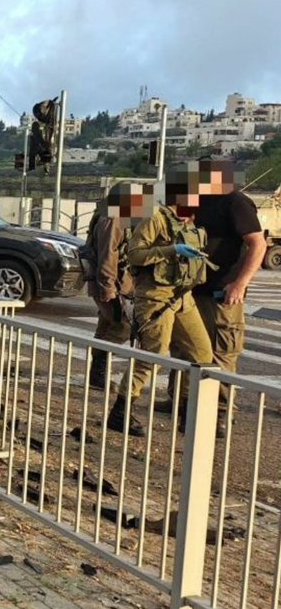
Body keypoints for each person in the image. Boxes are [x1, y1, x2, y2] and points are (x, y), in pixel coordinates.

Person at [109, 163, 214, 437]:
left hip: (183, 296)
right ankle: (121, 411)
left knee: (202, 354)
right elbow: (134, 255)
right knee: (152, 357)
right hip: (156, 297)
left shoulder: (188, 221)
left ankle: (187, 415)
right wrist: (171, 250)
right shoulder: (155, 217)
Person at [190, 156, 266, 418]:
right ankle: (183, 403)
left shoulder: (236, 202)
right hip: (194, 288)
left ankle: (220, 412)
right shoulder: (198, 200)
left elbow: (258, 243)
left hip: (223, 291)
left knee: (221, 353)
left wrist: (240, 284)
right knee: (187, 348)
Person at [82, 183, 144, 388]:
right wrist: (108, 287)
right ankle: (99, 374)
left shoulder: (112, 216)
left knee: (106, 326)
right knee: (123, 327)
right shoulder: (114, 219)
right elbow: (108, 255)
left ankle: (96, 376)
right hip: (112, 283)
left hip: (112, 282)